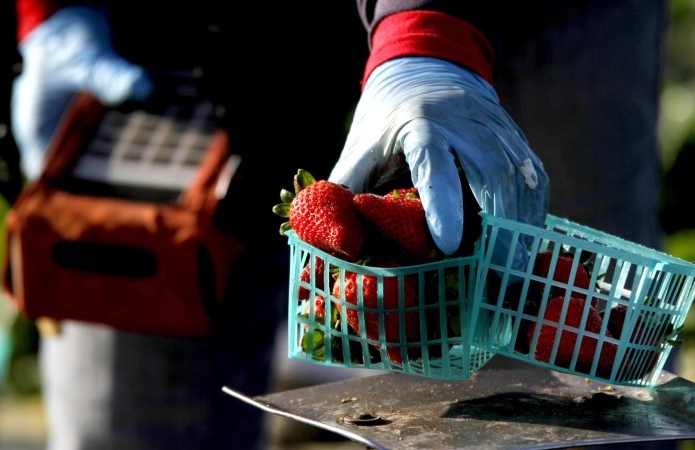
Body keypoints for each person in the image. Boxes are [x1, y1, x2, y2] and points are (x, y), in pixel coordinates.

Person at [7, 1, 669, 450]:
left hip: (525, 13)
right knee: (134, 419)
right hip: (194, 31)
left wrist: (426, 35)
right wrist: (49, 12)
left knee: (571, 399)